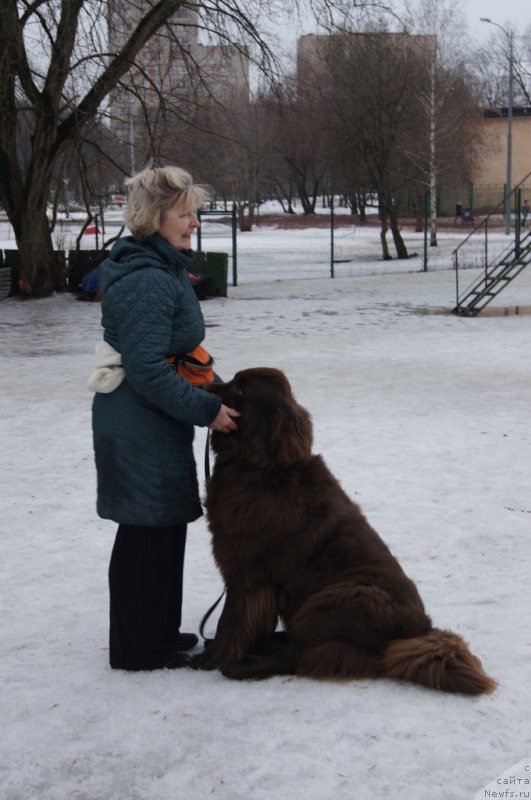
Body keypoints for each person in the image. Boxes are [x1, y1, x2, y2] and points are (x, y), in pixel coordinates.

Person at [90, 165, 239, 671]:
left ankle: (156, 632)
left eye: (195, 213)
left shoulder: (161, 268)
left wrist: (213, 389)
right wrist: (208, 409)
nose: (194, 222)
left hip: (151, 415)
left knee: (164, 523)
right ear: (154, 217)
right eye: (184, 213)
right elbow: (148, 369)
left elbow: (169, 357)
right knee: (146, 527)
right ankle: (139, 648)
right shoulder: (149, 279)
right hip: (138, 417)